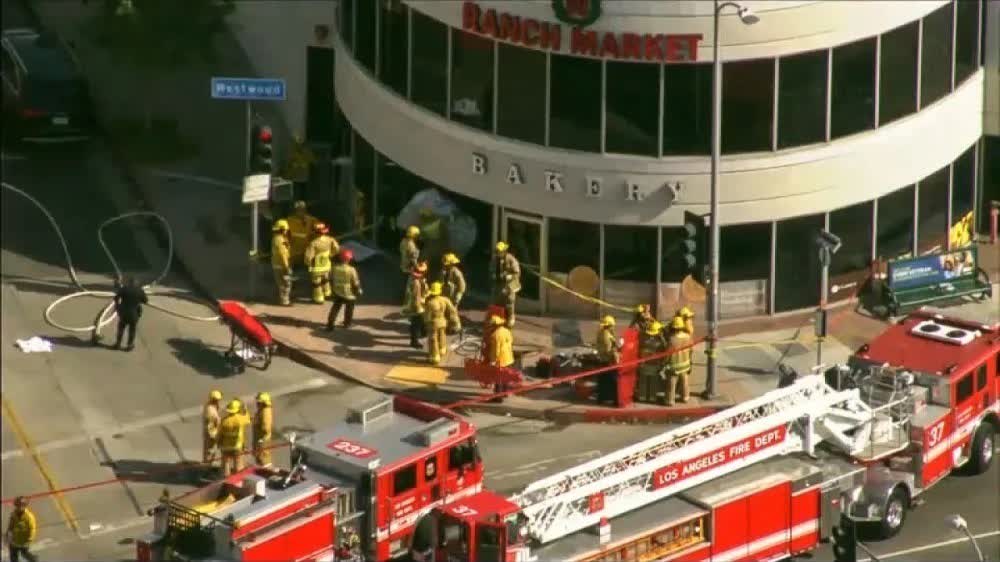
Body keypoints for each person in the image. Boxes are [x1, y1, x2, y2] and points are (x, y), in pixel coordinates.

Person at [424, 282, 460, 366]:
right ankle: (442, 349)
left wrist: (426, 323)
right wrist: (456, 322)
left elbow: (427, 317)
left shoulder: (430, 303)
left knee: (433, 339)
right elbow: (452, 311)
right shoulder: (445, 300)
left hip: (433, 323)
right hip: (443, 322)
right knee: (442, 335)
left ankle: (434, 356)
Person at [327, 249, 363, 330]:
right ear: (348, 259)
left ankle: (330, 324)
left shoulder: (334, 268)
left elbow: (330, 278)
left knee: (335, 308)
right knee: (349, 309)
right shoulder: (351, 269)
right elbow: (355, 282)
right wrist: (358, 290)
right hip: (349, 293)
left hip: (337, 291)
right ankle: (347, 324)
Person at [304, 222, 339, 304]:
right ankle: (327, 293)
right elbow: (337, 248)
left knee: (317, 283)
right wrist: (331, 255)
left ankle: (319, 298)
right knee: (326, 280)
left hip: (317, 267)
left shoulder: (313, 243)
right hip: (327, 265)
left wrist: (308, 264)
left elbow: (308, 257)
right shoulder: (330, 240)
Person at [112, 276, 148, 351]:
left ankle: (118, 344)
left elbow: (116, 298)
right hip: (134, 314)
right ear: (137, 284)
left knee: (121, 329)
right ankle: (129, 345)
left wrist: (117, 306)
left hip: (124, 313)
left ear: (129, 283)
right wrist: (138, 299)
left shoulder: (124, 289)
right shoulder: (140, 291)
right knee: (132, 330)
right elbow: (145, 301)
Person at [594, 315, 622, 406]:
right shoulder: (606, 335)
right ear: (609, 325)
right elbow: (608, 350)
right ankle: (615, 401)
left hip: (603, 360)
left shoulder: (602, 332)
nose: (614, 327)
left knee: (603, 381)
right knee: (614, 382)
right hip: (608, 361)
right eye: (613, 325)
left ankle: (601, 399)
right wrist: (618, 350)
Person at [636, 321, 666, 403]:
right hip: (654, 365)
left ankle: (642, 397)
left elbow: (638, 349)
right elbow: (665, 350)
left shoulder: (643, 339)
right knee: (653, 382)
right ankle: (652, 397)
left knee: (643, 382)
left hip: (643, 364)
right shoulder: (659, 342)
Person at [487, 315, 516, 402]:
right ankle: (505, 393)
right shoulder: (506, 331)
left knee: (498, 379)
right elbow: (511, 341)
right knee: (505, 377)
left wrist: (493, 361)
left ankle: (498, 397)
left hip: (500, 360)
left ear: (495, 325)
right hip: (509, 358)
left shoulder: (495, 335)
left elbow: (496, 350)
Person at [665, 316, 693, 405]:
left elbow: (667, 354)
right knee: (685, 382)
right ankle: (685, 397)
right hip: (685, 364)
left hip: (674, 366)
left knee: (671, 384)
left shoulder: (672, 339)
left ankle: (670, 400)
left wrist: (664, 363)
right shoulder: (688, 337)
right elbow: (691, 350)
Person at [219, 399, 251, 476]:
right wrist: (245, 410)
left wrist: (218, 443)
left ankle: (226, 478)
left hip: (225, 446)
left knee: (226, 463)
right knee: (238, 462)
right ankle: (237, 479)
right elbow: (248, 419)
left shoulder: (224, 420)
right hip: (237, 446)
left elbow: (220, 434)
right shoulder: (240, 419)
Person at [492, 241, 521, 327]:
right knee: (498, 302)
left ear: (504, 251)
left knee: (509, 302)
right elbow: (492, 269)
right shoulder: (495, 260)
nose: (498, 253)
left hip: (510, 284)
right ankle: (500, 318)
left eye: (500, 251)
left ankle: (510, 318)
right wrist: (493, 275)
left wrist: (509, 276)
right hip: (499, 283)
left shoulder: (511, 259)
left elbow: (517, 273)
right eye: (497, 251)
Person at [403, 262, 430, 349]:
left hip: (418, 304)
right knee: (416, 323)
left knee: (420, 321)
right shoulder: (416, 283)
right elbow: (416, 297)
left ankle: (423, 333)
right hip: (416, 306)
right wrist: (418, 308)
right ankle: (414, 341)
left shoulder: (416, 279)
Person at [286, 200, 319, 266]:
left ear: (305, 209)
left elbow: (319, 232)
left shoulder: (312, 220)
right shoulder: (289, 220)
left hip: (307, 251)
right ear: (295, 210)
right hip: (294, 252)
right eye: (298, 209)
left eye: (302, 209)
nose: (300, 211)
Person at [283, 133, 316, 200]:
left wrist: (305, 163)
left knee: (302, 193)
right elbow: (289, 162)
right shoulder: (293, 151)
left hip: (303, 177)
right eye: (297, 144)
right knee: (295, 192)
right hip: (295, 176)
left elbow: (313, 160)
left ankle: (302, 203)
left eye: (300, 144)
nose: (299, 146)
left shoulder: (306, 151)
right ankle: (297, 202)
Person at [5, 497, 37, 562]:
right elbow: (11, 525)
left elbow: (32, 528)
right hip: (14, 540)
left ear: (25, 506)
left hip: (24, 541)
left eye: (21, 506)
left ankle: (34, 560)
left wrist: (30, 538)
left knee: (24, 553)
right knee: (13, 556)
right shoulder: (13, 514)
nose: (19, 508)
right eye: (18, 506)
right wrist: (8, 533)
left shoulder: (29, 516)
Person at [271, 219, 293, 306]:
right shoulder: (280, 240)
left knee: (281, 283)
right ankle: (285, 301)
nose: (287, 231)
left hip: (277, 264)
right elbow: (283, 254)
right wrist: (286, 267)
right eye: (286, 230)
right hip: (282, 265)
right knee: (285, 284)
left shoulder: (276, 238)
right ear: (282, 229)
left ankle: (282, 299)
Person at [202, 390, 223, 468]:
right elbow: (215, 421)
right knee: (210, 451)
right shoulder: (210, 409)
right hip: (211, 433)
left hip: (213, 432)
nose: (218, 401)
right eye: (217, 399)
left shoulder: (212, 406)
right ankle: (206, 467)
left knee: (212, 451)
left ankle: (208, 465)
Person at [253, 392, 274, 466]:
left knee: (264, 459)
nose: (257, 403)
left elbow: (266, 427)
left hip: (262, 439)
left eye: (259, 402)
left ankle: (266, 471)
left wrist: (261, 439)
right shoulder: (262, 410)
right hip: (260, 439)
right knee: (259, 458)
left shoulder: (266, 412)